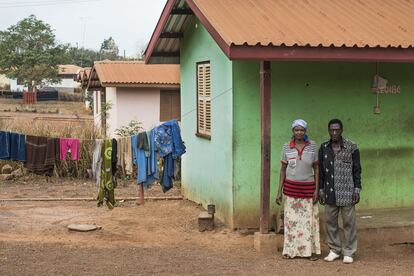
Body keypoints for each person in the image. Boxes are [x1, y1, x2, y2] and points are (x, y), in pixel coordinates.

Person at [276, 119, 321, 260]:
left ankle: (310, 252)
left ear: (305, 131)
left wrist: (316, 190)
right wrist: (279, 191)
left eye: (302, 129)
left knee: (309, 222)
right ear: (293, 131)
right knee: (291, 222)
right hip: (290, 191)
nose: (299, 132)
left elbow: (317, 168)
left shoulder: (312, 146)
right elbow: (283, 170)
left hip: (308, 190)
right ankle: (290, 251)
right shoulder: (286, 147)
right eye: (297, 129)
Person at [319, 119, 362, 264]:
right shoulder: (324, 147)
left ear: (342, 130)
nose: (334, 132)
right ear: (329, 131)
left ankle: (349, 251)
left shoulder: (352, 146)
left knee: (349, 222)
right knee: (330, 222)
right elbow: (321, 172)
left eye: (337, 130)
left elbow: (357, 169)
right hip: (330, 191)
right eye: (332, 130)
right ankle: (334, 250)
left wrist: (357, 188)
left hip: (347, 191)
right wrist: (320, 190)